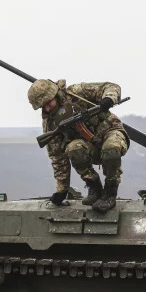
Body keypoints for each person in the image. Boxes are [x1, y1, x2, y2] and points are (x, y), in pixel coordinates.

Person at [27, 78, 128, 213]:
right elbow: (57, 157)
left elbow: (110, 86)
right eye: (43, 106)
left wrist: (108, 99)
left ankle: (110, 193)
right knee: (73, 148)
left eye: (48, 102)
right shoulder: (50, 123)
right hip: (89, 147)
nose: (47, 108)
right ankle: (94, 186)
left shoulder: (77, 92)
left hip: (110, 132)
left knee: (111, 148)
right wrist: (62, 189)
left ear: (55, 94)